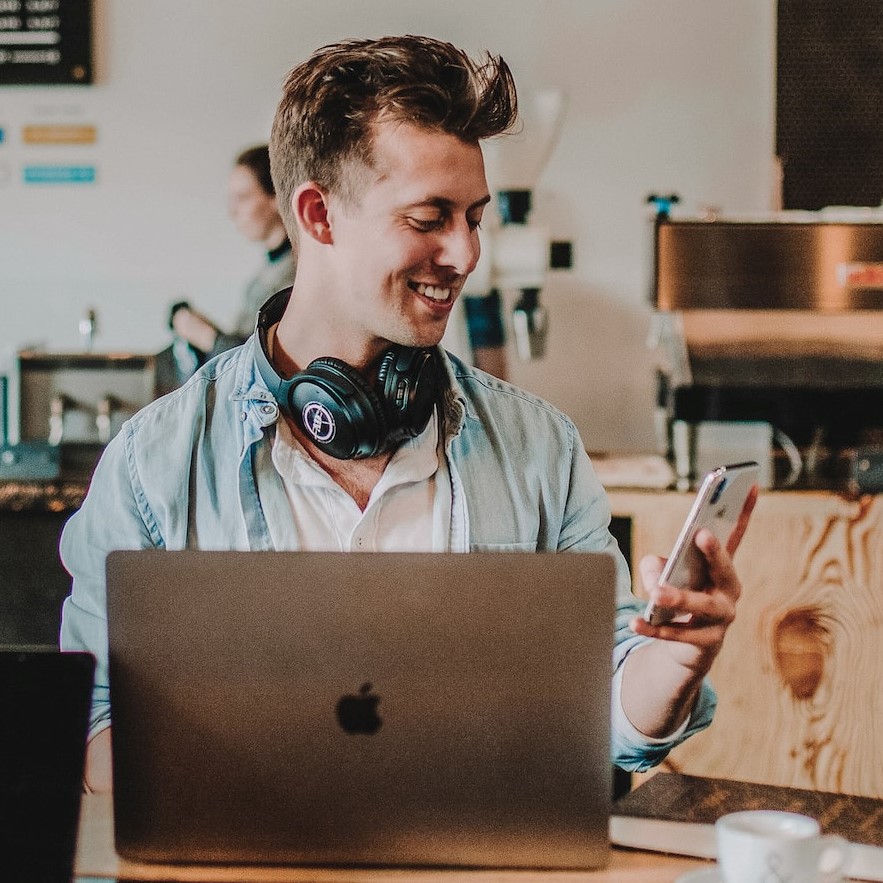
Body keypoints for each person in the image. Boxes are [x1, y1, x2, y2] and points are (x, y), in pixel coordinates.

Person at [59, 34, 756, 793]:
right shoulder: (150, 465)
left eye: (474, 217)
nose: (464, 254)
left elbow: (609, 715)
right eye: (429, 218)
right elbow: (91, 728)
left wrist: (675, 659)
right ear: (318, 216)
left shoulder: (539, 447)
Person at [168, 145, 296, 373]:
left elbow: (263, 365)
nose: (233, 211)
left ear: (275, 198)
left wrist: (204, 335)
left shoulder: (296, 273)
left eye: (243, 198)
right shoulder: (270, 268)